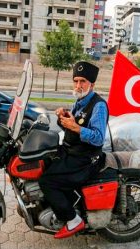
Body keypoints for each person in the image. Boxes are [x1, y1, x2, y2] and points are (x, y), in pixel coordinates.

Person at [38, 61, 109, 239]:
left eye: (82, 81)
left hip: (86, 159)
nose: (78, 85)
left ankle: (73, 219)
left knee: (47, 181)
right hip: (71, 151)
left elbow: (99, 137)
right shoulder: (79, 101)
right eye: (76, 81)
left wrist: (76, 127)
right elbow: (73, 129)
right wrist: (64, 119)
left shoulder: (98, 106)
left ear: (91, 84)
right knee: (42, 162)